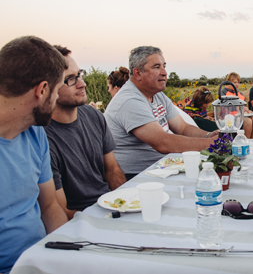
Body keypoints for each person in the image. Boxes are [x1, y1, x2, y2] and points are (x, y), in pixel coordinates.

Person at [0, 36, 68, 273]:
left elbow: (49, 205)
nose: (58, 98)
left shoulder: (35, 133)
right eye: (58, 89)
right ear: (42, 90)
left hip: (40, 260)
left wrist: (67, 256)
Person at [105, 46, 218, 179]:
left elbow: (182, 128)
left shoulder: (157, 95)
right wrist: (212, 144)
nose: (164, 72)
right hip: (138, 177)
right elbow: (163, 143)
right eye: (156, 67)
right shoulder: (129, 100)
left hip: (163, 168)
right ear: (137, 73)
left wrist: (209, 135)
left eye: (164, 66)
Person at [44, 46, 127, 220]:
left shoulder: (93, 115)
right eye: (70, 79)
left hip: (109, 206)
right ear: (48, 89)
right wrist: (106, 219)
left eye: (80, 75)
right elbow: (61, 211)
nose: (83, 83)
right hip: (82, 219)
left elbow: (112, 169)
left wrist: (127, 204)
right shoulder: (43, 138)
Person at [222, 72, 253, 138]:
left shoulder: (240, 94)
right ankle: (245, 142)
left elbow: (245, 106)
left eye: (238, 82)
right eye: (234, 82)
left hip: (240, 116)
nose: (237, 84)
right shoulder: (224, 92)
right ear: (228, 82)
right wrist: (239, 108)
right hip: (230, 117)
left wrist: (247, 110)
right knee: (248, 121)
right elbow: (224, 107)